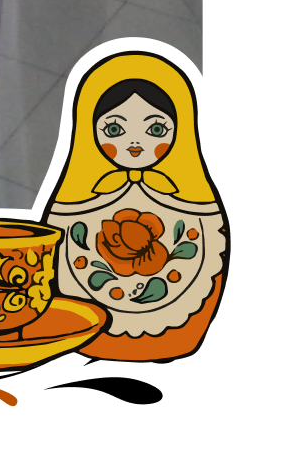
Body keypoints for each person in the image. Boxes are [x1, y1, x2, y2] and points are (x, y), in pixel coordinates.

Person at [44, 51, 228, 361]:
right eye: (114, 130)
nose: (134, 144)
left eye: (155, 130)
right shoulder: (75, 204)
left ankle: (168, 343)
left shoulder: (197, 206)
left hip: (180, 334)